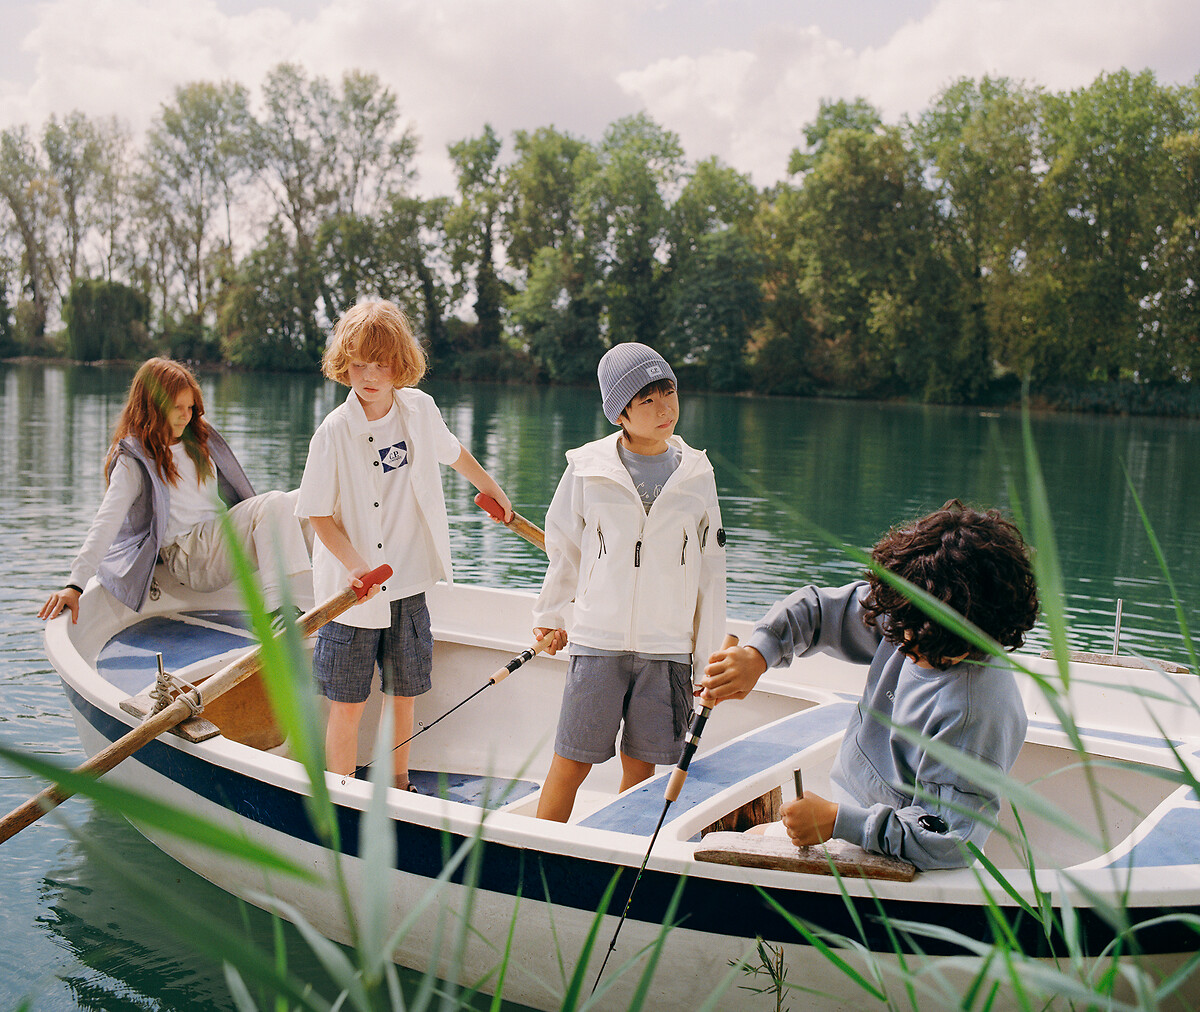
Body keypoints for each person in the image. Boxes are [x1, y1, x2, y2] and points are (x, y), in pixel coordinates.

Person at [700, 499, 1038, 871]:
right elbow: (818, 611)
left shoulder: (975, 711)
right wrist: (758, 655)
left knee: (736, 853)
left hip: (898, 859)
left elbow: (949, 841)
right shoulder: (914, 609)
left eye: (923, 639)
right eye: (902, 624)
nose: (904, 640)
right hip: (852, 818)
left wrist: (838, 822)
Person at [295, 299, 512, 792]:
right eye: (359, 363)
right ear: (343, 364)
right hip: (351, 597)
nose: (369, 375)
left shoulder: (418, 410)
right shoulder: (333, 432)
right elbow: (317, 514)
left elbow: (454, 453)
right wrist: (354, 566)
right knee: (347, 702)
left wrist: (492, 488)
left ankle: (398, 783)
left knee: (403, 692)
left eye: (382, 364)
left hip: (407, 581)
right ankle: (343, 790)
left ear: (400, 366)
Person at [532, 342, 726, 822]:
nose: (664, 408)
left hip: (667, 650)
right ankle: (535, 855)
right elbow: (565, 550)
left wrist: (705, 660)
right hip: (597, 642)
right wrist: (550, 617)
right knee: (570, 761)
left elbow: (711, 573)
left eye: (668, 392)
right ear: (620, 411)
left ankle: (615, 855)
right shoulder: (587, 468)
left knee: (639, 771)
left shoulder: (698, 473)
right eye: (647, 400)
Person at [39, 357, 311, 626]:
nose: (186, 415)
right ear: (153, 407)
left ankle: (327, 589)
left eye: (190, 407)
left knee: (308, 500)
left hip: (216, 540)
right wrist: (75, 584)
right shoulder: (134, 460)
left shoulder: (199, 440)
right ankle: (278, 608)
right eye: (177, 407)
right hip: (188, 556)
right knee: (273, 503)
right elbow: (106, 523)